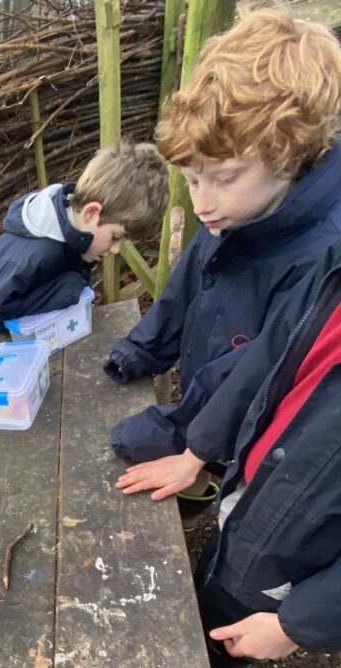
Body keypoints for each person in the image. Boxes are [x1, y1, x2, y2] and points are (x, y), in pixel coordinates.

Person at [104, 8, 341, 492]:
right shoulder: (237, 209)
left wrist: (191, 449)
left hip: (258, 440)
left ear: (290, 151)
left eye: (224, 178)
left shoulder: (323, 256)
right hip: (206, 396)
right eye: (191, 180)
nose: (201, 203)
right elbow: (187, 284)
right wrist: (139, 351)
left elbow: (264, 368)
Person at [116, 260, 341, 668]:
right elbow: (267, 361)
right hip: (251, 496)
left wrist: (298, 624)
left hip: (300, 552)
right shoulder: (332, 272)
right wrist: (195, 452)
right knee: (216, 576)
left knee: (231, 632)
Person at [0, 140, 168, 330]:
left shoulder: (77, 238)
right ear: (91, 213)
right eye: (116, 237)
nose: (116, 249)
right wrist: (66, 292)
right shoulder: (35, 253)